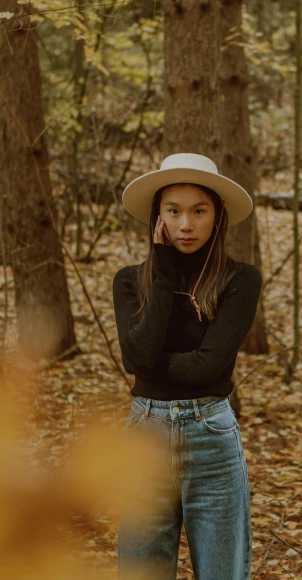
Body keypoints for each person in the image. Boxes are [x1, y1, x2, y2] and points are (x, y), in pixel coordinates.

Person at [113, 153, 262, 580]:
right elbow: (136, 360)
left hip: (211, 438)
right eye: (173, 211)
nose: (185, 225)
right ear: (157, 216)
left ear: (217, 217)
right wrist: (163, 271)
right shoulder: (129, 281)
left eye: (199, 211)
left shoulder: (239, 279)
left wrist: (150, 365)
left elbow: (207, 368)